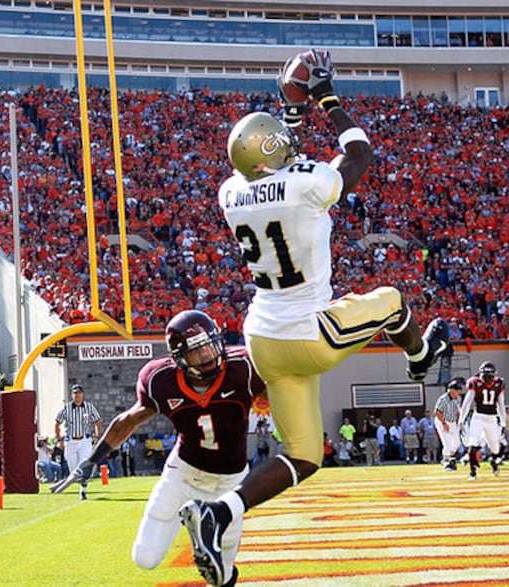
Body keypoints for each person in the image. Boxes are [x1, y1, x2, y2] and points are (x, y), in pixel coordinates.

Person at [178, 49, 449, 586]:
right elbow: (358, 151)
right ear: (275, 151)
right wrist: (324, 96)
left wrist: (291, 118)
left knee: (303, 454)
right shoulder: (303, 184)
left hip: (262, 339)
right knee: (393, 298)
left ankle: (221, 513)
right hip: (308, 331)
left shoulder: (231, 191)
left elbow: (281, 160)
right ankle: (421, 360)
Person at [50, 310, 266, 587]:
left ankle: (203, 526)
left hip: (231, 481)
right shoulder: (160, 380)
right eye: (197, 353)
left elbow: (282, 391)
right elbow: (128, 420)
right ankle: (197, 520)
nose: (208, 358)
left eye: (210, 347)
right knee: (145, 557)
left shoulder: (243, 368)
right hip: (184, 473)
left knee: (222, 575)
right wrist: (92, 460)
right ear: (178, 358)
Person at [458, 361, 506, 480]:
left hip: (492, 418)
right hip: (478, 417)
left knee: (495, 448)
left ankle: (493, 461)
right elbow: (467, 402)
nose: (487, 379)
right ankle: (472, 471)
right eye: (485, 376)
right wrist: (461, 419)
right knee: (473, 443)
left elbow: (501, 404)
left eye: (490, 376)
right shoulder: (475, 382)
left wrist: (503, 422)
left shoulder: (499, 383)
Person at [54, 383, 102, 500]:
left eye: (79, 393)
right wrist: (59, 439)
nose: (77, 396)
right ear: (72, 395)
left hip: (85, 440)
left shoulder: (89, 407)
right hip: (71, 441)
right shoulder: (66, 408)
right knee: (73, 468)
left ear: (83, 394)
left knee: (84, 465)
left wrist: (96, 436)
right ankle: (68, 482)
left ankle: (83, 490)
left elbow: (98, 422)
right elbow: (57, 423)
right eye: (75, 393)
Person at [434, 378, 463, 471]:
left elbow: (457, 411)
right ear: (451, 390)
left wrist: (459, 422)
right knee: (447, 443)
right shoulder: (443, 399)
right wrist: (443, 423)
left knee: (457, 442)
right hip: (442, 421)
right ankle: (447, 462)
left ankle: (450, 457)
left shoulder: (456, 399)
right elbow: (437, 412)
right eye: (457, 390)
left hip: (452, 421)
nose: (459, 392)